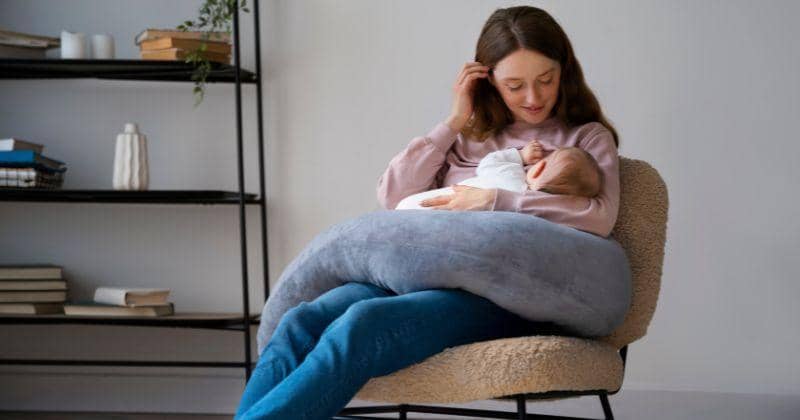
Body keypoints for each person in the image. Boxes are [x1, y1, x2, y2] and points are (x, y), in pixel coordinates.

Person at [235, 5, 621, 419]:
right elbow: (393, 196)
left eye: (546, 80)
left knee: (363, 323)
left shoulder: (584, 138)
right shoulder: (466, 139)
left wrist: (494, 200)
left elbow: (599, 216)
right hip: (416, 279)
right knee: (300, 322)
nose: (533, 97)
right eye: (515, 85)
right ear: (488, 80)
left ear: (565, 71)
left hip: (500, 297)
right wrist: (454, 121)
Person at [395, 139, 604, 210]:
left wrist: (520, 155)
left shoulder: (510, 173)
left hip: (411, 207)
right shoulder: (531, 212)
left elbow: (488, 163)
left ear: (539, 168)